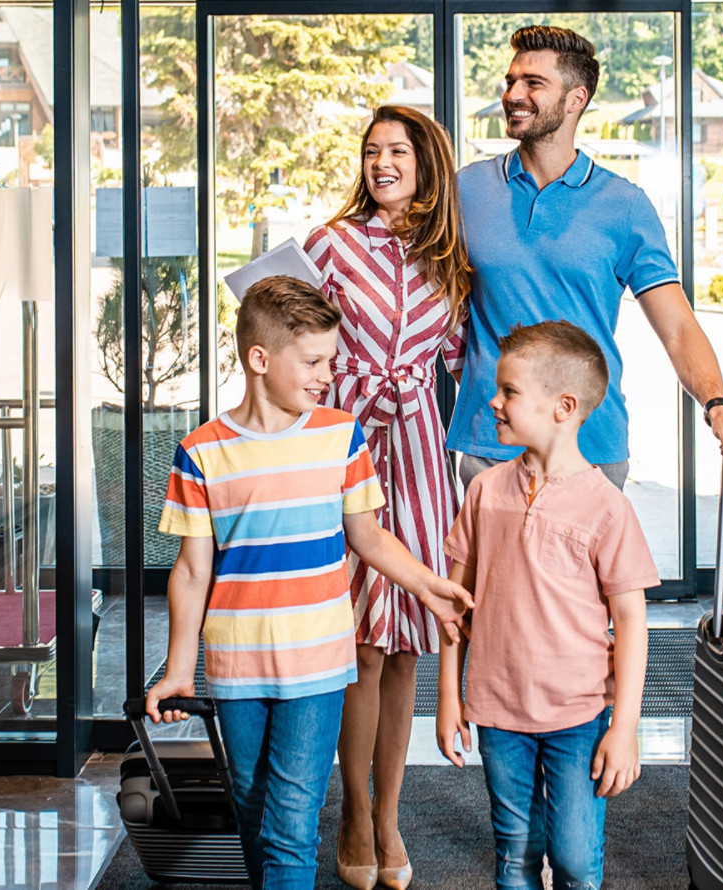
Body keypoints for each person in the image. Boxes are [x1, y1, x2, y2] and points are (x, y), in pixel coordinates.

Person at [144, 276, 471, 890]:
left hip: (319, 663)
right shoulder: (202, 452)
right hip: (237, 668)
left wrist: (427, 584)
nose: (328, 375)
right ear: (259, 360)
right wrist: (179, 668)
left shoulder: (340, 435)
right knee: (252, 805)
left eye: (333, 361)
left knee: (293, 823)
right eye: (315, 362)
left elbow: (368, 537)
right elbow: (191, 570)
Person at [449, 25, 723, 490]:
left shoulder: (625, 204)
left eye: (533, 83)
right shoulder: (466, 190)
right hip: (491, 442)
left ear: (576, 99)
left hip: (589, 445)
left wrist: (717, 405)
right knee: (492, 568)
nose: (513, 94)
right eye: (511, 81)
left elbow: (676, 328)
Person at [301, 105, 474, 890]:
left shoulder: (450, 259)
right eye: (372, 152)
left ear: (425, 161)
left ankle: (391, 813)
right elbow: (300, 344)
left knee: (408, 647)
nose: (381, 163)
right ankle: (353, 809)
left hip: (422, 457)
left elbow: (462, 357)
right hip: (350, 448)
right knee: (361, 646)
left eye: (397, 151)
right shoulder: (332, 245)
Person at [436, 321, 659, 890]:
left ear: (564, 406)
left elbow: (632, 621)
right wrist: (447, 696)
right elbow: (453, 606)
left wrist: (625, 727)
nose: (493, 400)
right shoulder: (484, 492)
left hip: (579, 716)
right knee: (515, 855)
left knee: (576, 860)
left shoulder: (607, 509)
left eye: (509, 391)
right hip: (496, 710)